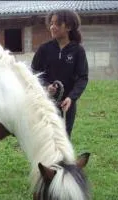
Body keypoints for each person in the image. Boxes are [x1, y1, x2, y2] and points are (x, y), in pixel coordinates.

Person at [31, 9, 89, 138]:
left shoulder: (78, 51)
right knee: (45, 138)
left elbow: (82, 78)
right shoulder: (44, 49)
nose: (52, 27)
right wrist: (46, 86)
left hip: (67, 105)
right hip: (46, 102)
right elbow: (34, 72)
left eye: (57, 24)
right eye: (51, 23)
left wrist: (71, 98)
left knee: (63, 139)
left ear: (68, 26)